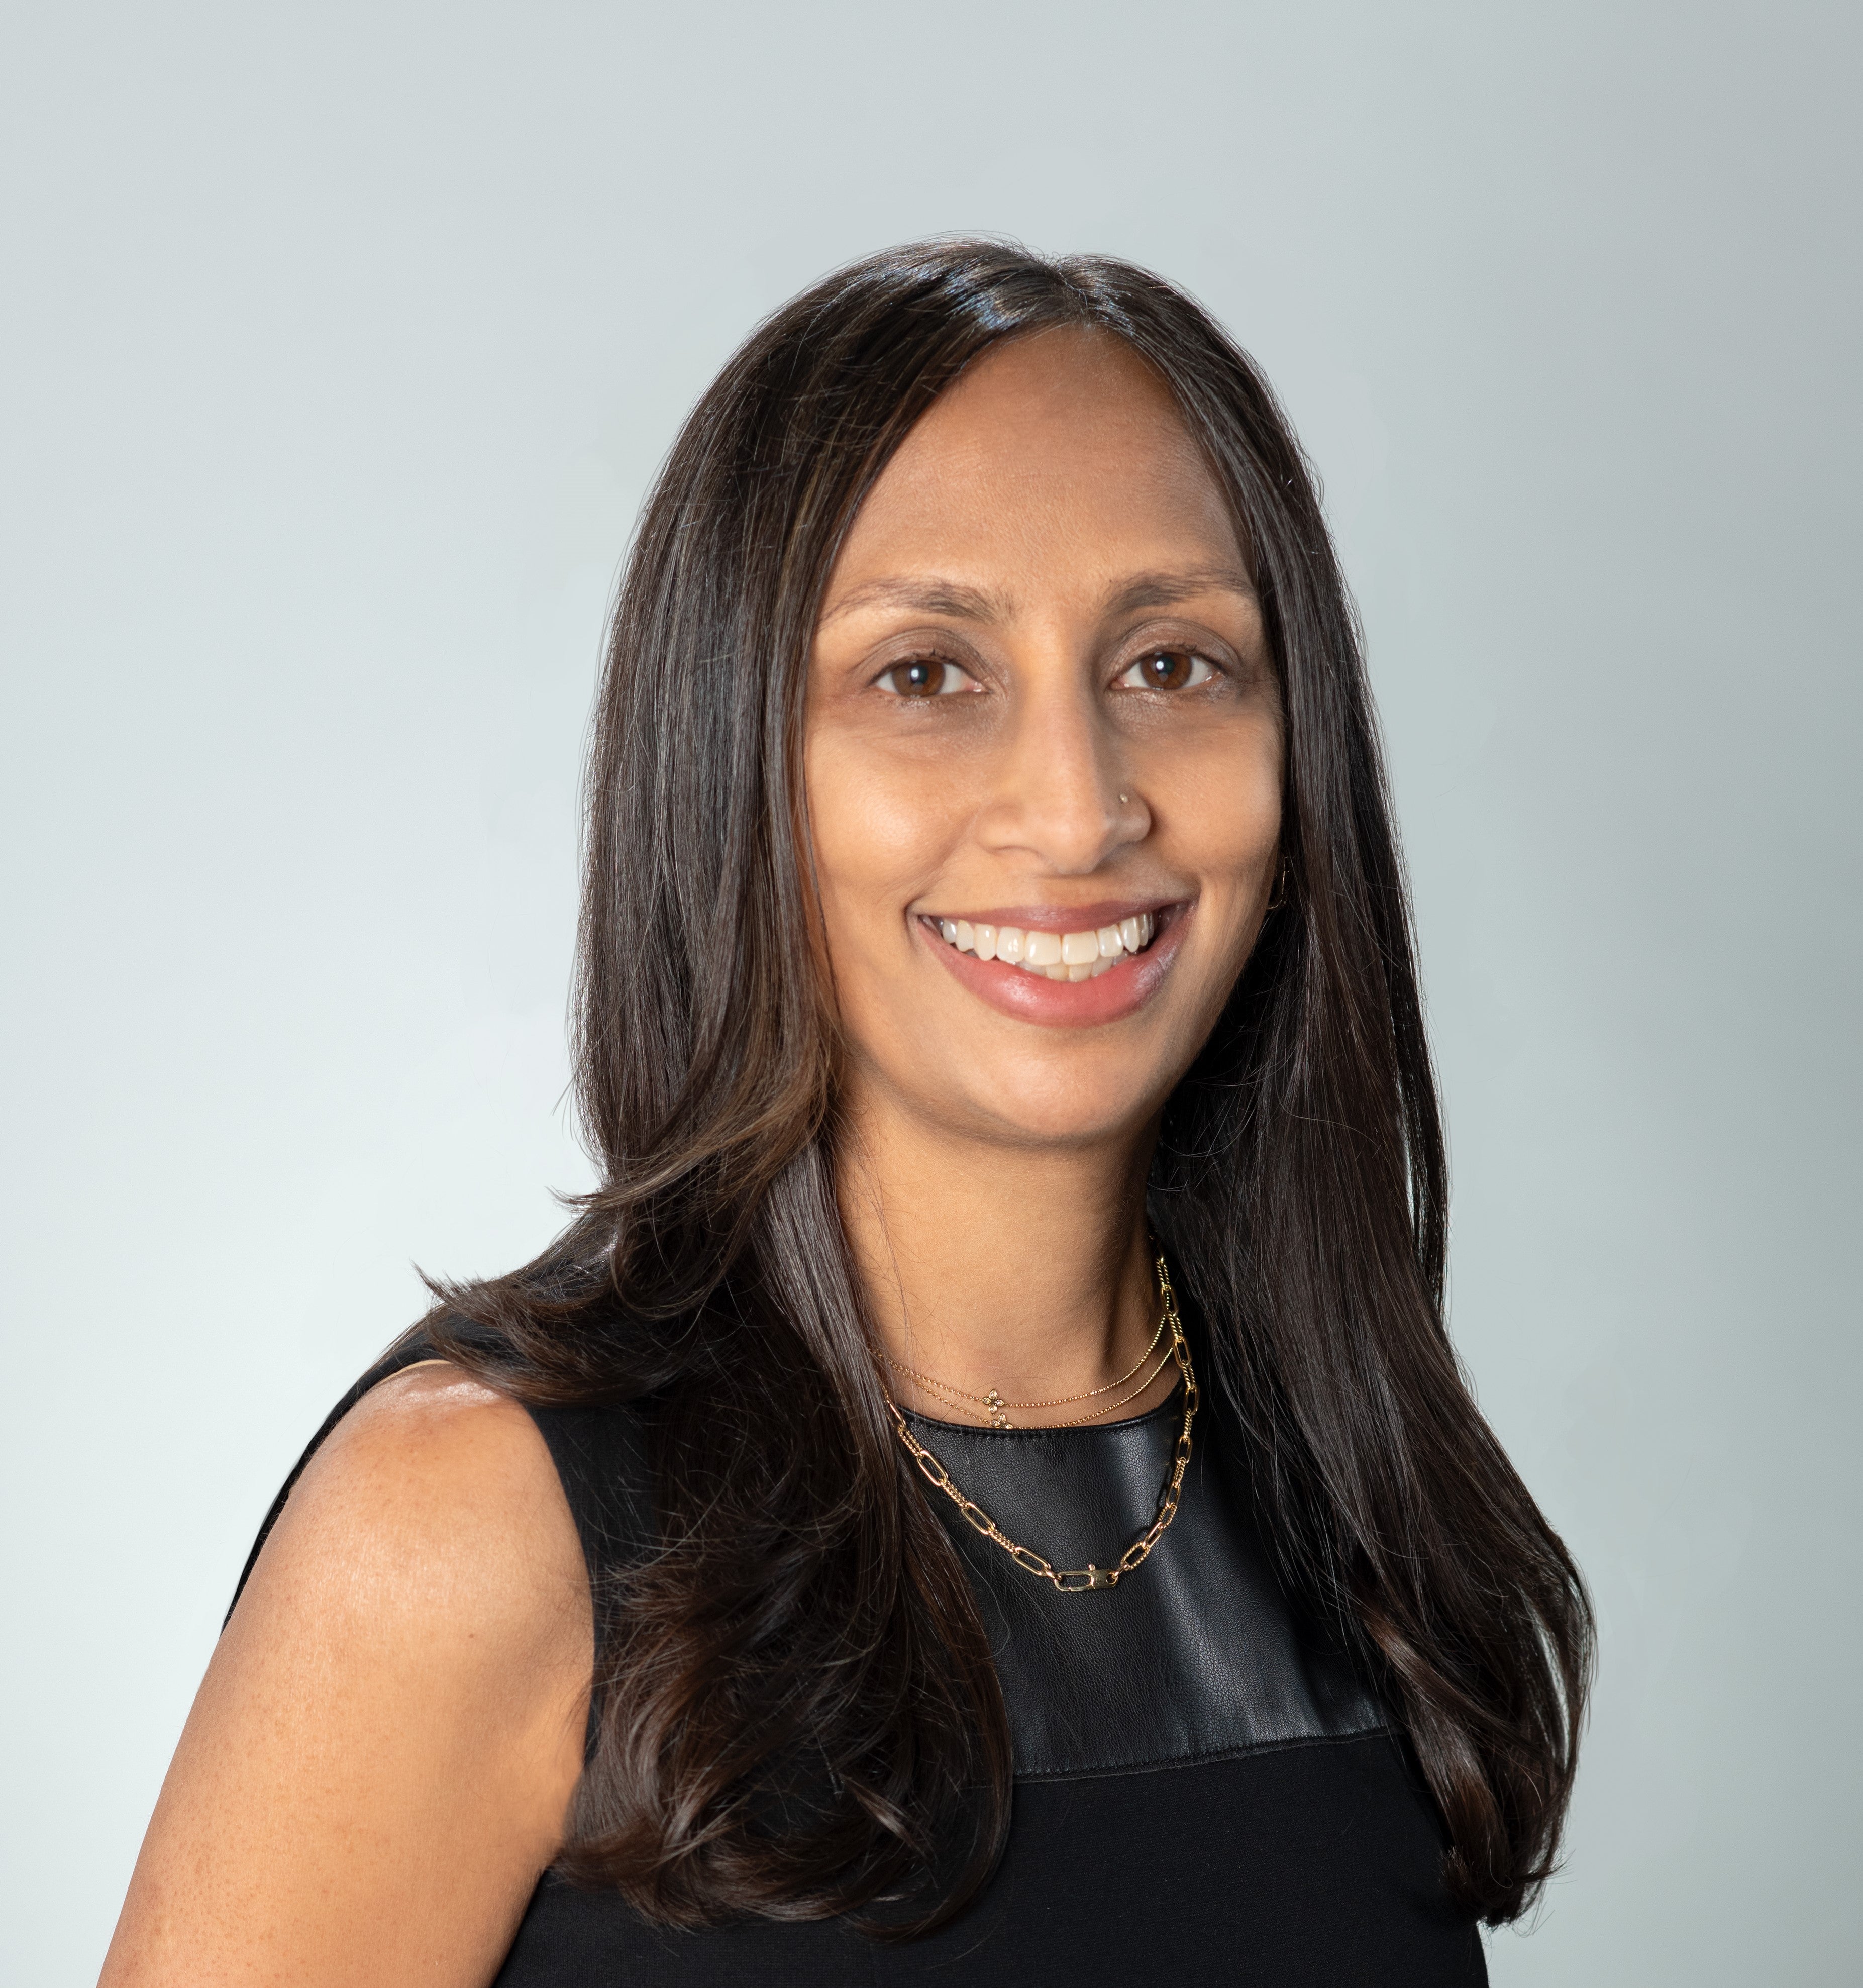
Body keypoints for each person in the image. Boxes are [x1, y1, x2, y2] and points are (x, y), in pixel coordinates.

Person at [100, 240, 1591, 1985]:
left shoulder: (1350, 1498)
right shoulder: (471, 1526)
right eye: (924, 674)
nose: (1077, 809)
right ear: (732, 762)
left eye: (1170, 664)